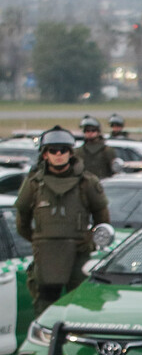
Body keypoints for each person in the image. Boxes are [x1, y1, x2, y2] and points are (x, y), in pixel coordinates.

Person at [15, 127, 111, 315]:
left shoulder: (87, 182)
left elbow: (102, 219)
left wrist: (88, 240)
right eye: (53, 150)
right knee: (46, 306)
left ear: (71, 152)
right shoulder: (34, 183)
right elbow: (22, 221)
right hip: (45, 256)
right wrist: (39, 240)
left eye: (63, 150)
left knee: (81, 305)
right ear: (45, 155)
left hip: (78, 253)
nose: (58, 154)